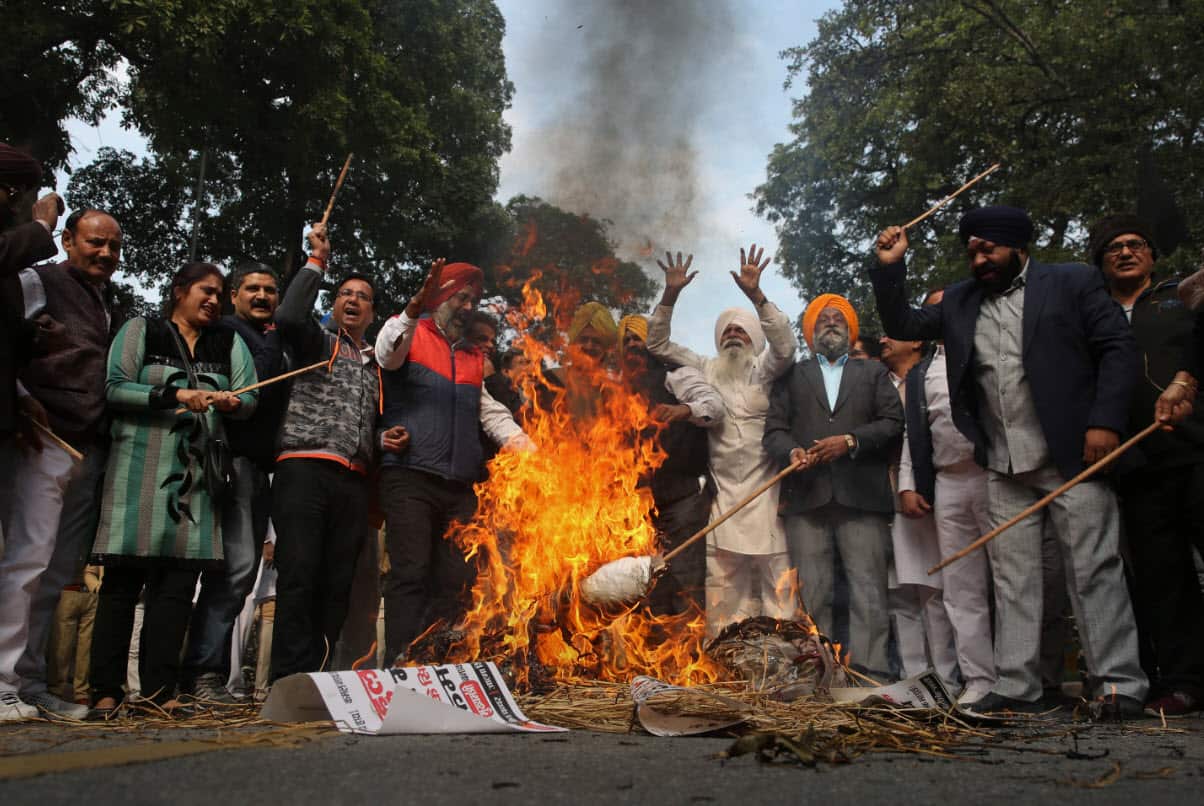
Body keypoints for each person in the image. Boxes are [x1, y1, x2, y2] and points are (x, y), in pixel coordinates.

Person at [872, 206, 1147, 717]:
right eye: (972, 250)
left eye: (988, 248)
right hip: (1001, 464)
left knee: (1093, 570)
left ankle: (1119, 683)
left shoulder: (1073, 282)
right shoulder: (959, 300)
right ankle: (1019, 687)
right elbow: (904, 323)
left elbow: (1118, 348)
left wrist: (1104, 422)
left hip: (1072, 457)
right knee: (1012, 580)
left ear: (1018, 246)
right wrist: (891, 267)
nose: (979, 259)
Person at [89, 262, 258, 711]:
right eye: (206, 291)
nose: (214, 301)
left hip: (198, 482)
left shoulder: (229, 341)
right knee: (122, 585)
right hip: (137, 473)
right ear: (179, 290)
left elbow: (250, 395)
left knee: (176, 591)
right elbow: (115, 388)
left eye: (220, 294)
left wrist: (232, 401)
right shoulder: (141, 330)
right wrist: (176, 395)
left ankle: (159, 692)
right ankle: (105, 691)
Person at [374, 259, 529, 664]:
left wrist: (534, 455)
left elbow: (491, 413)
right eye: (461, 296)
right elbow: (385, 354)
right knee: (410, 573)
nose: (467, 305)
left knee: (456, 579)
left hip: (459, 486)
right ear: (440, 295)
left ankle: (437, 662)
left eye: (473, 299)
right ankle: (401, 663)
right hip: (410, 477)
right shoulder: (410, 333)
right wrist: (412, 308)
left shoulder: (472, 355)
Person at [0, 207, 120, 721]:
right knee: (26, 560)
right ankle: (3, 684)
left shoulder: (106, 303)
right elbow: (6, 346)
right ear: (67, 239)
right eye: (95, 242)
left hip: (84, 446)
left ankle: (29, 685)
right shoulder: (34, 280)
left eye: (113, 247)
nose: (106, 254)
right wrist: (20, 397)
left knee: (57, 571)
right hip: (39, 437)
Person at [647, 246, 798, 637]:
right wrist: (671, 294)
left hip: (767, 496)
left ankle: (783, 665)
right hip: (724, 501)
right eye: (727, 330)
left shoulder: (764, 372)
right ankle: (731, 667)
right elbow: (658, 345)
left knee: (778, 590)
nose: (733, 334)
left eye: (741, 329)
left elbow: (786, 346)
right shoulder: (704, 368)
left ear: (752, 338)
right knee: (725, 597)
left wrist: (757, 296)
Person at [1088, 214, 1202, 717]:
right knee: (1163, 579)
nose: (1126, 252)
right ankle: (1185, 683)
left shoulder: (1184, 298)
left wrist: (1188, 381)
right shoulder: (1093, 314)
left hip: (1197, 451)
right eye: (1113, 248)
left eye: (1136, 244)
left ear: (1153, 256)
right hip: (1134, 463)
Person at [270, 223, 388, 682]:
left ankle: (320, 679)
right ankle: (288, 680)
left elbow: (367, 425)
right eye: (344, 293)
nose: (353, 300)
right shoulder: (315, 344)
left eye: (362, 296)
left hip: (353, 482)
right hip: (303, 470)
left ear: (373, 312)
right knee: (299, 574)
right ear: (334, 303)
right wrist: (315, 261)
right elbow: (288, 317)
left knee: (338, 582)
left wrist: (382, 441)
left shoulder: (374, 365)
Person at [763, 295, 903, 678]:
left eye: (837, 317)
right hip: (807, 497)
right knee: (813, 593)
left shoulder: (872, 373)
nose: (829, 322)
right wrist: (790, 451)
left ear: (850, 328)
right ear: (809, 332)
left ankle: (871, 674)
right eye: (821, 318)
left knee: (868, 590)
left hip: (861, 496)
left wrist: (851, 441)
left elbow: (893, 421)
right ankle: (818, 676)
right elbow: (773, 429)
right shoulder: (792, 375)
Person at [180, 261, 288, 702]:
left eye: (269, 290)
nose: (262, 297)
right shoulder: (228, 333)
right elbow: (258, 379)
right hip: (232, 462)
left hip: (263, 468)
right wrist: (278, 334)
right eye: (252, 289)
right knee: (233, 571)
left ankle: (204, 675)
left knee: (239, 576)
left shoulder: (270, 337)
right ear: (234, 296)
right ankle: (202, 675)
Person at [897, 288, 996, 704]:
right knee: (959, 585)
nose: (942, 313)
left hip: (995, 476)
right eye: (933, 308)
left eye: (947, 304)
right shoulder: (921, 372)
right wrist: (909, 482)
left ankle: (1022, 679)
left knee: (1011, 581)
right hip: (948, 484)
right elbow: (913, 431)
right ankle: (978, 681)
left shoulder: (986, 348)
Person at [617, 314, 723, 614]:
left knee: (686, 583)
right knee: (644, 587)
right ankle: (654, 658)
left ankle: (690, 657)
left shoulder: (677, 376)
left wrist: (683, 410)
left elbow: (715, 408)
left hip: (682, 500)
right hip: (637, 507)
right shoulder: (616, 390)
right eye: (626, 341)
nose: (632, 345)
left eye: (638, 338)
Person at [879, 330, 959, 685]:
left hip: (928, 495)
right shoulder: (878, 382)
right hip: (884, 496)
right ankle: (913, 680)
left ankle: (946, 678)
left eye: (893, 333)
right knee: (898, 592)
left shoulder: (932, 374)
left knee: (934, 590)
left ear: (917, 342)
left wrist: (914, 485)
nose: (883, 338)